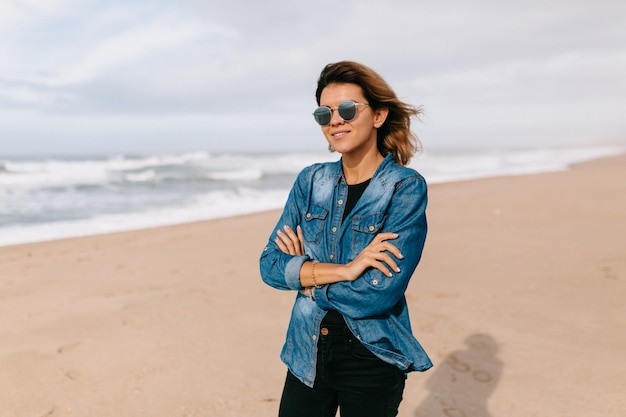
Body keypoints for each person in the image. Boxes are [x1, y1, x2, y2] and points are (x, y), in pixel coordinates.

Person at [259, 60, 432, 417]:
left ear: (379, 115)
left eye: (349, 110)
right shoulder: (310, 181)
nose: (336, 120)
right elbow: (270, 266)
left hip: (372, 356)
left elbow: (377, 292)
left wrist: (306, 279)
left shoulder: (404, 187)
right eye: (325, 113)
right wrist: (347, 269)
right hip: (305, 351)